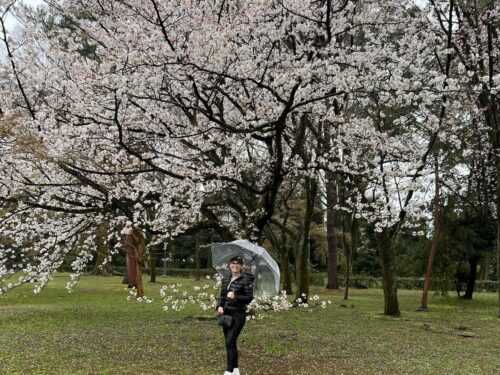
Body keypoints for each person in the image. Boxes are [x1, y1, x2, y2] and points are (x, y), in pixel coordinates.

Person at [217, 255, 254, 375]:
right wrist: (219, 306)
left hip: (238, 315)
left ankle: (228, 371)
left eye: (238, 263)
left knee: (230, 341)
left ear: (241, 266)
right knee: (230, 343)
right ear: (229, 265)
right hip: (226, 315)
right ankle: (236, 370)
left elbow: (249, 298)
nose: (235, 265)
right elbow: (222, 296)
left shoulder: (246, 280)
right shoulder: (226, 280)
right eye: (233, 263)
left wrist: (236, 296)